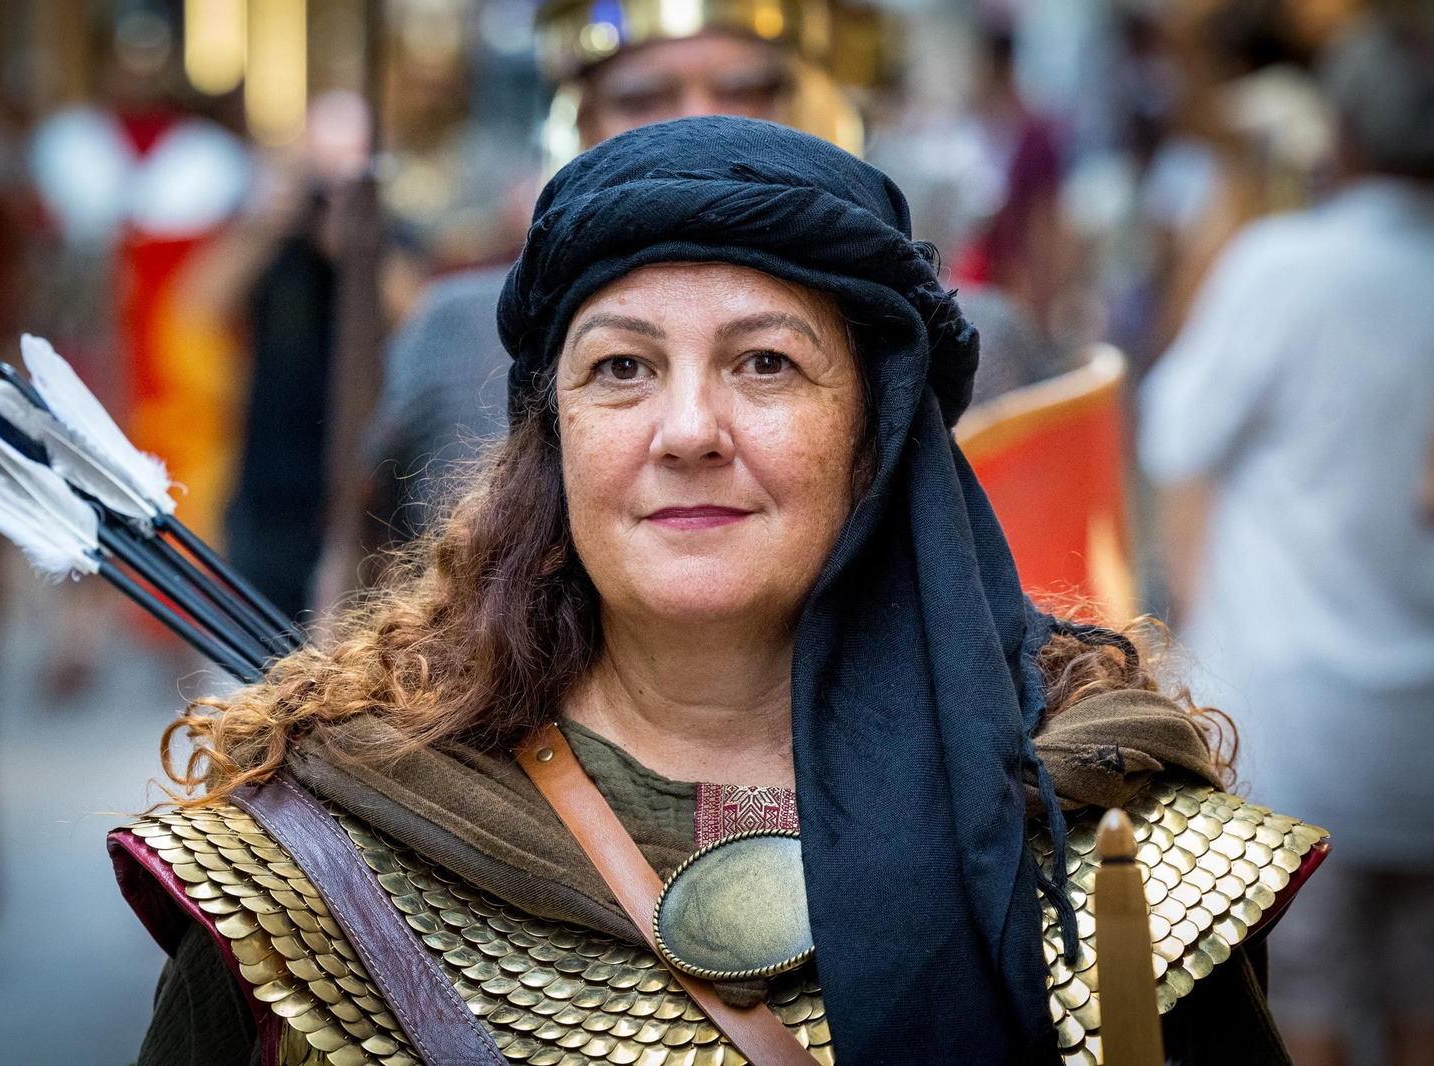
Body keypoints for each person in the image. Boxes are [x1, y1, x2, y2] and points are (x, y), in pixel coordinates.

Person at [113, 117, 1326, 1066]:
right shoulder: (325, 863)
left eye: (765, 363)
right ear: (557, 436)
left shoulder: (1111, 843)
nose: (688, 428)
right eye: (623, 367)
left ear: (876, 433)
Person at [312, 0, 874, 597]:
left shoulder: (926, 337)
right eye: (642, 99)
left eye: (744, 90)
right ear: (576, 125)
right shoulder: (458, 334)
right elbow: (365, 587)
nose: (694, 126)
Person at [1137, 13, 1434, 1066]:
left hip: (1296, 720)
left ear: (1339, 137)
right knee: (1418, 991)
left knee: (1293, 999)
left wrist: (1187, 627)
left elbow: (1173, 431)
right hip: (1419, 733)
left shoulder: (1283, 263)